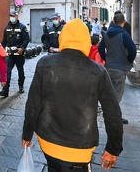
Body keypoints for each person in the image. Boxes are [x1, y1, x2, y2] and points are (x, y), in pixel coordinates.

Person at [22, 18, 123, 171]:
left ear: (63, 38)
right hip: (81, 147)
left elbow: (33, 105)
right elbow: (113, 113)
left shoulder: (45, 64)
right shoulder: (98, 71)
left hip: (48, 141)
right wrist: (113, 149)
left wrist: (27, 134)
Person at [99, 14, 137, 124]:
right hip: (120, 67)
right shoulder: (123, 34)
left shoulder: (106, 34)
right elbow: (132, 49)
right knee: (117, 94)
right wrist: (129, 60)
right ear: (123, 22)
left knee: (110, 92)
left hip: (109, 66)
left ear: (113, 21)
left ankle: (113, 115)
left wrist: (106, 58)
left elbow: (101, 48)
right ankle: (113, 117)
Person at [0, 10, 30, 97]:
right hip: (9, 54)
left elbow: (27, 39)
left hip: (19, 54)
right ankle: (5, 90)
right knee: (7, 71)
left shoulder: (22, 27)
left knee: (20, 70)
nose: (12, 17)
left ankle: (21, 86)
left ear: (17, 16)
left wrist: (22, 48)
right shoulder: (7, 27)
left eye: (13, 16)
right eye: (11, 16)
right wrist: (0, 50)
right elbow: (4, 41)